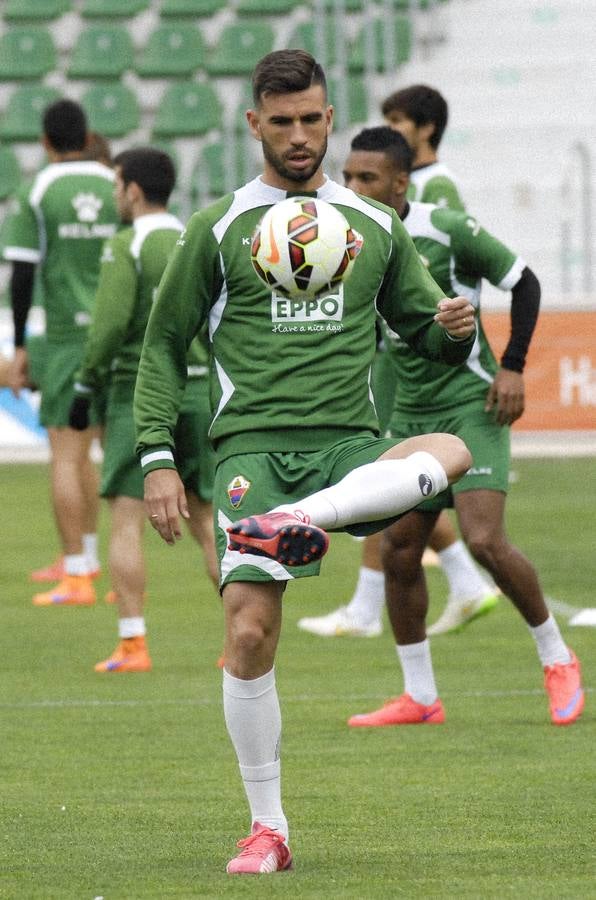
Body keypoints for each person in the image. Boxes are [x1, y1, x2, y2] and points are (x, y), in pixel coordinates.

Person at [133, 50, 477, 875]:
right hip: (251, 451)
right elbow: (163, 343)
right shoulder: (217, 229)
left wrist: (449, 327)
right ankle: (268, 828)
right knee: (249, 632)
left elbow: (420, 330)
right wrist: (156, 459)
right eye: (281, 121)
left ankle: (302, 524)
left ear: (331, 117)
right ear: (254, 124)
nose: (299, 136)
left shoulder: (374, 226)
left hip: (351, 452)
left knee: (452, 450)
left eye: (312, 119)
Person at [335, 126, 584, 729]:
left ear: (401, 181)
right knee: (398, 551)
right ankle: (420, 696)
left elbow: (523, 281)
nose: (352, 187)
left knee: (483, 540)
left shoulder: (444, 227)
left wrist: (516, 367)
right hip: (409, 416)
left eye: (366, 178)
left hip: (472, 404)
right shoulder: (347, 242)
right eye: (347, 177)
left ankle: (558, 658)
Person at [68, 147, 218, 672]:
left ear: (132, 189)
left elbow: (109, 324)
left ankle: (133, 644)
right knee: (208, 521)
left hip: (141, 395)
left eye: (116, 187)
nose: (115, 197)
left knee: (127, 521)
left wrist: (86, 383)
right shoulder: (203, 238)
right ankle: (242, 635)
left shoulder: (127, 246)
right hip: (201, 394)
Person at [1, 100, 118, 603]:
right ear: (88, 134)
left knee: (67, 455)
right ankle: (99, 560)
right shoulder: (119, 183)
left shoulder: (39, 190)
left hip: (68, 337)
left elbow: (23, 273)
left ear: (45, 142)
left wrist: (22, 346)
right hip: (121, 335)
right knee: (114, 455)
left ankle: (75, 572)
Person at [382, 83, 465, 210]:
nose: (386, 128)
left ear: (426, 129)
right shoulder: (400, 179)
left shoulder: (438, 185)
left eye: (396, 120)